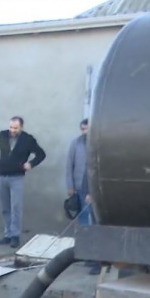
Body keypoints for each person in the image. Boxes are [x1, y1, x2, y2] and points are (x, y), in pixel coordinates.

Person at [0, 116, 46, 249]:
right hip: (2, 176)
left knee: (16, 207)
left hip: (17, 177)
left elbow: (41, 154)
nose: (12, 130)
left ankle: (15, 236)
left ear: (21, 127)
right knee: (5, 208)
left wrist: (31, 163)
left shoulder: (28, 139)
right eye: (11, 127)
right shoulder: (2, 135)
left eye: (15, 128)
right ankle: (7, 234)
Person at [65, 118, 102, 275]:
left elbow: (95, 171)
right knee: (84, 223)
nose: (84, 132)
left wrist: (92, 193)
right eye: (82, 129)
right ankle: (88, 255)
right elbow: (70, 165)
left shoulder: (97, 145)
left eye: (86, 129)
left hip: (93, 192)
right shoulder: (76, 143)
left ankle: (98, 260)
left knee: (95, 224)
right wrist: (71, 186)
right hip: (81, 189)